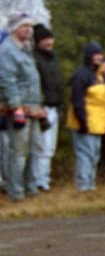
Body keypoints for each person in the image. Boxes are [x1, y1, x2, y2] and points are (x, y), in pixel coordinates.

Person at [0, 12, 44, 201]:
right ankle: (15, 192)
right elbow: (7, 81)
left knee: (35, 150)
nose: (28, 30)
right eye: (24, 26)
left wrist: (38, 104)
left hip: (33, 107)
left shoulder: (26, 49)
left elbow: (31, 80)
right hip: (19, 109)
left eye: (30, 26)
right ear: (14, 28)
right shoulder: (7, 51)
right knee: (18, 152)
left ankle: (31, 188)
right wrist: (15, 106)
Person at [66, 42, 105, 192]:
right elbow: (77, 100)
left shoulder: (100, 75)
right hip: (84, 121)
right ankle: (83, 186)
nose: (99, 57)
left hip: (98, 122)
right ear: (89, 56)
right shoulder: (81, 74)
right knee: (84, 154)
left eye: (100, 54)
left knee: (94, 154)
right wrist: (82, 121)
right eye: (95, 54)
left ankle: (90, 184)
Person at [30, 23, 62, 192]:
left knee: (49, 147)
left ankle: (44, 178)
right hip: (43, 107)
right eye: (45, 39)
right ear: (38, 41)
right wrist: (39, 105)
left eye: (50, 38)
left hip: (54, 106)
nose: (49, 42)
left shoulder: (52, 59)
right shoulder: (35, 59)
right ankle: (38, 181)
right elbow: (36, 85)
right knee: (42, 146)